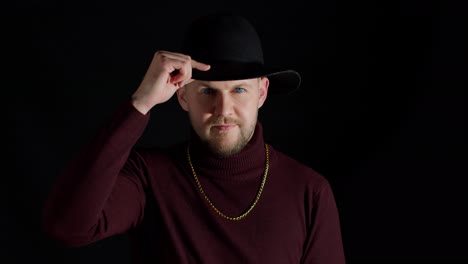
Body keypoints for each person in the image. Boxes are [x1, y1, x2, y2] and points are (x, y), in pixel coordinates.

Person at [42, 12, 346, 264]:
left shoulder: (310, 192)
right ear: (183, 95)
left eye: (239, 89)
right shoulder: (148, 177)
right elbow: (67, 227)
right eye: (206, 91)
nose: (223, 109)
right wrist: (141, 104)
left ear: (261, 93)